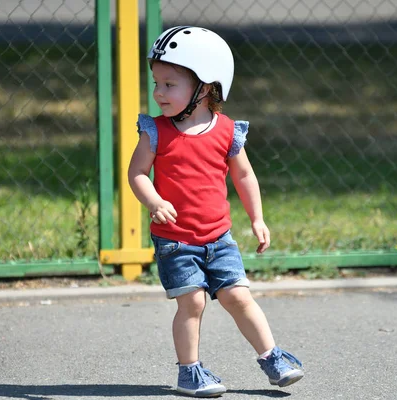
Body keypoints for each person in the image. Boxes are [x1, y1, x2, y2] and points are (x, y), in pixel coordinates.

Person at [128, 26, 304, 398]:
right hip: (176, 242)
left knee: (239, 297)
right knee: (191, 302)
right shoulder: (155, 132)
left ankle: (273, 357)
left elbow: (244, 176)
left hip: (220, 239)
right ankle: (189, 372)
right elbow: (137, 173)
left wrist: (257, 218)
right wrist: (154, 201)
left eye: (169, 84)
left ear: (206, 87)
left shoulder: (226, 131)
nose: (159, 93)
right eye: (156, 83)